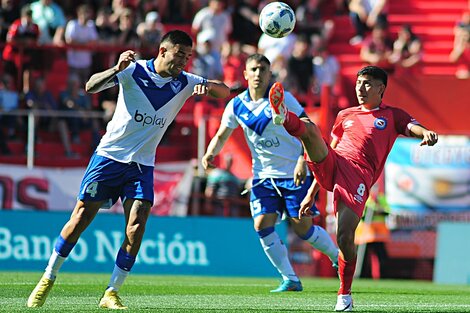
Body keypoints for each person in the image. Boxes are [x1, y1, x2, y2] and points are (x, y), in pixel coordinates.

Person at [27, 30, 230, 309]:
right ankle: (48, 277)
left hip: (142, 165)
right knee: (80, 219)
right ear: (162, 51)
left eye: (188, 56)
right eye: (179, 54)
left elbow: (225, 91)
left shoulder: (185, 82)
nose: (184, 60)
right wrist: (115, 69)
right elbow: (90, 86)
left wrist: (207, 86)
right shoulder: (133, 70)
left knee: (137, 225)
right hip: (109, 157)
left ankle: (111, 291)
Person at [268, 65, 438, 311]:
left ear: (381, 88)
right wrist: (311, 193)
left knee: (345, 237)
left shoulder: (392, 116)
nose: (361, 88)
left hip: (357, 176)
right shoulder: (345, 115)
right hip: (334, 163)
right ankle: (284, 116)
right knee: (312, 131)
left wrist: (427, 133)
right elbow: (332, 148)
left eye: (367, 83)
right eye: (359, 83)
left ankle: (344, 295)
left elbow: (413, 127)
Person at [202, 53, 339, 293]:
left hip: (293, 173)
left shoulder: (283, 98)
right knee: (261, 224)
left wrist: (302, 160)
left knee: (303, 228)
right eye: (253, 69)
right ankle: (290, 279)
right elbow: (222, 134)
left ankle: (338, 257)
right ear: (245, 74)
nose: (257, 74)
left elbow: (308, 128)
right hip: (262, 176)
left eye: (262, 70)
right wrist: (210, 153)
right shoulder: (236, 105)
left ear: (269, 74)